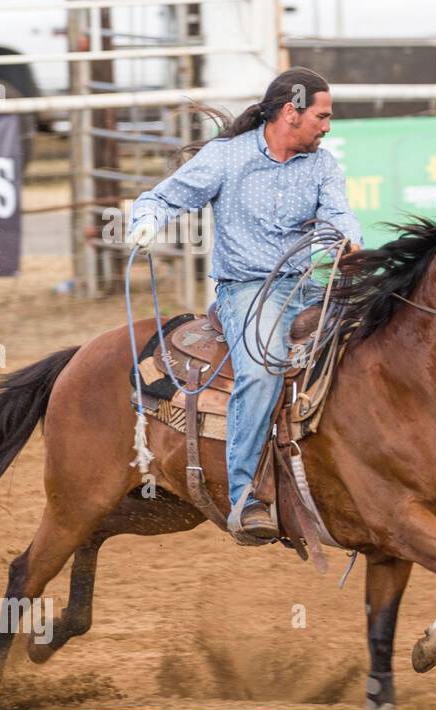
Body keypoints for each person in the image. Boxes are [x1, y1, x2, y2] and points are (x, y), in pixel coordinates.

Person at [128, 67, 362, 539]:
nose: (328, 125)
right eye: (323, 115)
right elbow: (164, 197)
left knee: (373, 339)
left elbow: (339, 217)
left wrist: (346, 243)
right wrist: (147, 221)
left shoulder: (322, 166)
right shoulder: (227, 159)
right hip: (247, 289)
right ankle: (245, 496)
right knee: (262, 367)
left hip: (307, 285)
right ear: (291, 113)